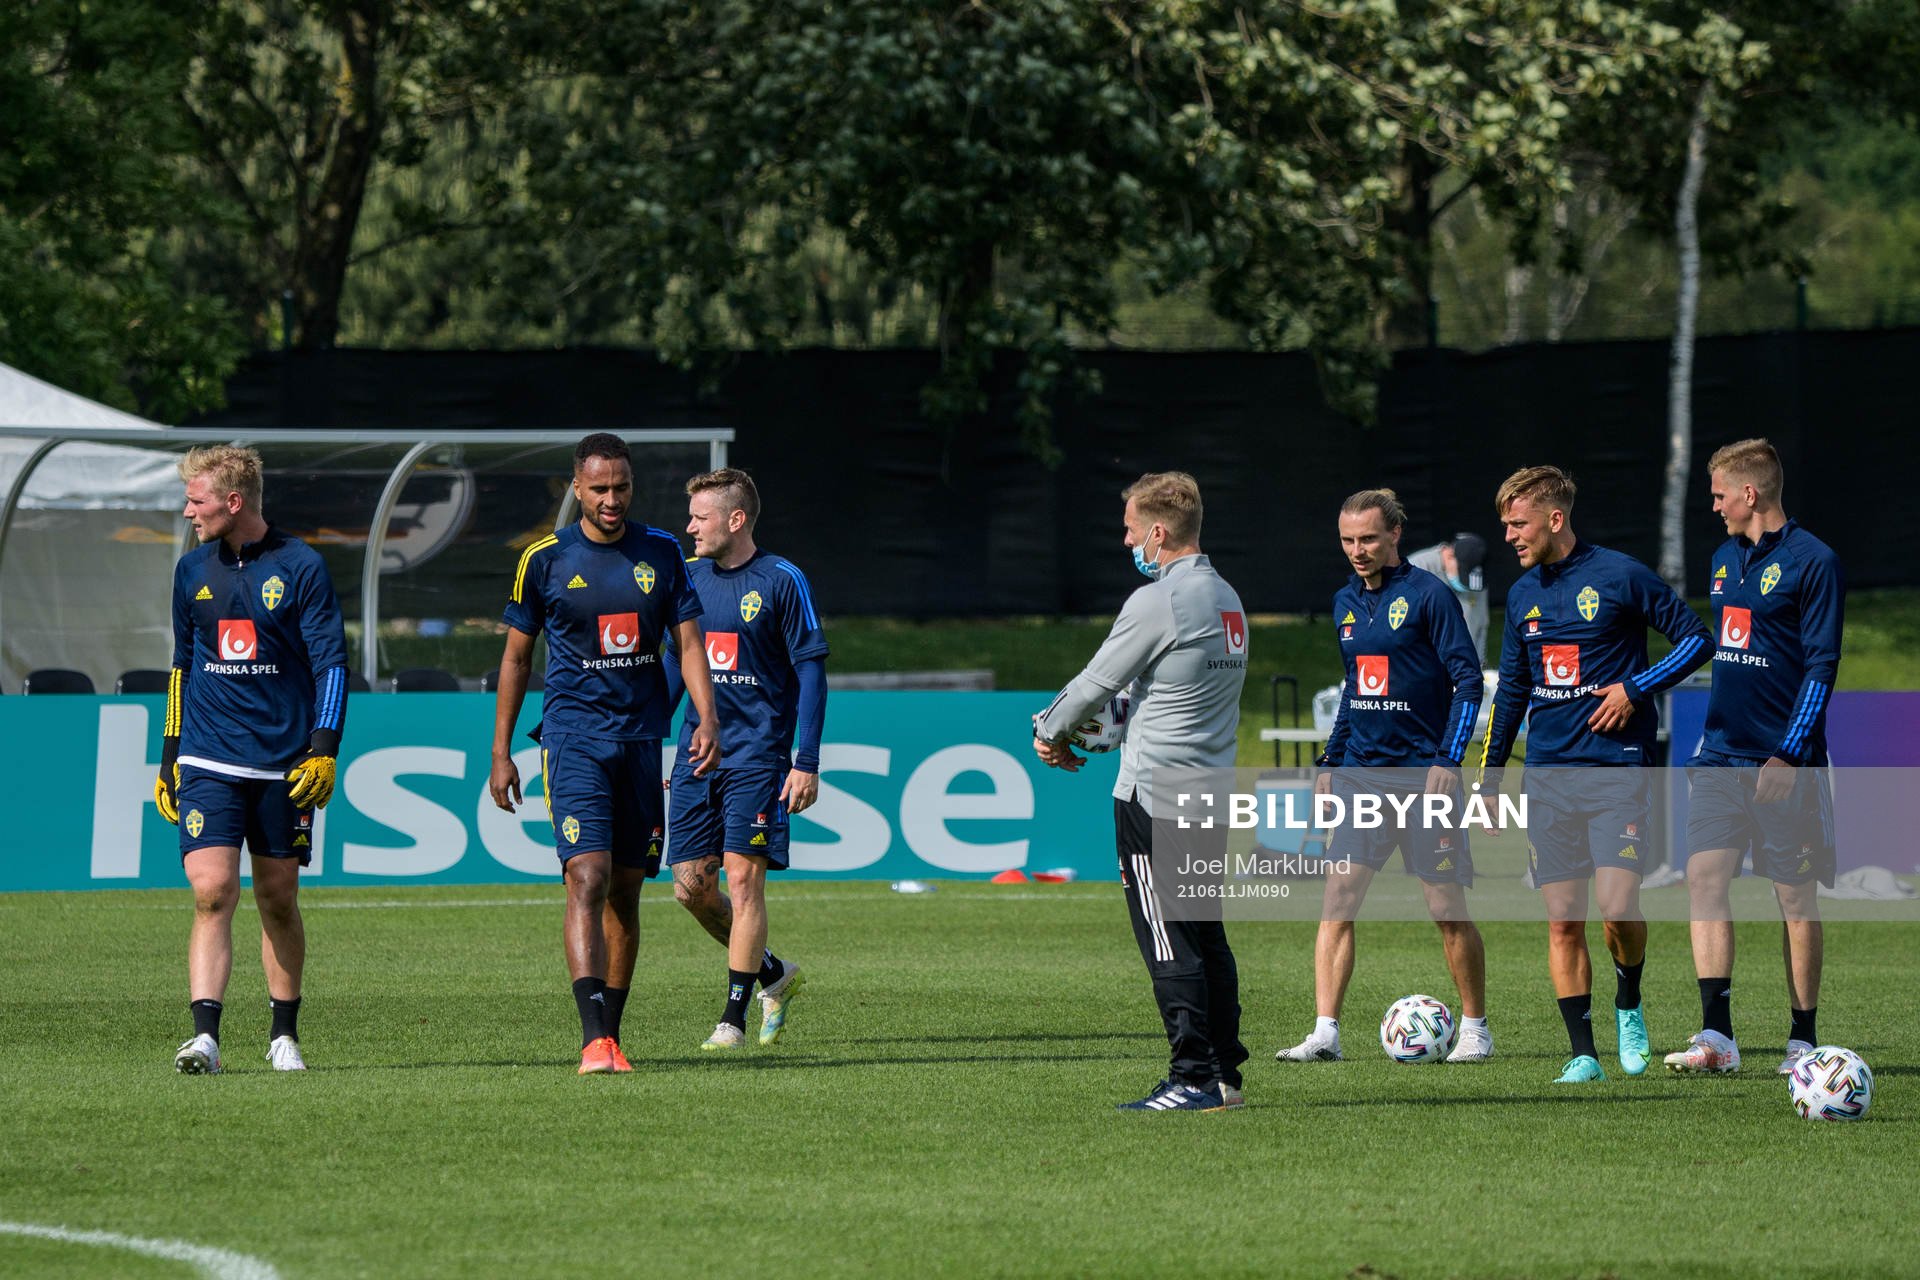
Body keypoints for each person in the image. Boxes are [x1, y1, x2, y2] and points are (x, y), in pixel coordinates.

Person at [488, 433, 719, 1075]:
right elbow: (515, 656)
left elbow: (690, 644)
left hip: (642, 741)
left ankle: (611, 1037)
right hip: (572, 739)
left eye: (621, 487)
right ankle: (593, 1041)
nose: (611, 499)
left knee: (624, 889)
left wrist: (706, 717)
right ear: (576, 488)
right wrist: (501, 751)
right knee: (585, 878)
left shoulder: (664, 552)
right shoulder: (544, 559)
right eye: (599, 489)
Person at [1479, 465, 1711, 1083]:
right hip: (1549, 777)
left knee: (1617, 907)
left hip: (1617, 772)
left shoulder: (1621, 575)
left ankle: (1628, 1003)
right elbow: (1513, 694)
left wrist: (1635, 688)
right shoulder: (1525, 595)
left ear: (1555, 519)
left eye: (1518, 524)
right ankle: (1583, 1053)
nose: (1509, 537)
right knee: (1561, 918)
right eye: (1505, 526)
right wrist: (1490, 775)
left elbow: (1696, 640)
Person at [1033, 471, 1249, 1112]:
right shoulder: (1227, 595)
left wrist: (1050, 732)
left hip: (1155, 794)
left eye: (1130, 529)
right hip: (1210, 787)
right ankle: (1226, 1075)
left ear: (1158, 533)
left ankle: (1191, 1078)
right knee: (1206, 934)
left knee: (1167, 936)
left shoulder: (1161, 599)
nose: (1126, 540)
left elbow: (1096, 683)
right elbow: (1166, 693)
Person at [1276, 490, 1491, 1064]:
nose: (1357, 551)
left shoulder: (1431, 597)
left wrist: (1449, 759)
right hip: (1362, 780)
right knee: (1338, 899)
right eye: (1347, 541)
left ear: (1396, 534)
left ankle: (1474, 1029)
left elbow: (1469, 683)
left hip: (1425, 782)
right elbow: (1355, 689)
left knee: (1446, 907)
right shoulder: (1345, 600)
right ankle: (1325, 1033)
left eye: (1368, 539)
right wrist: (1330, 761)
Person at [158, 445, 350, 1075]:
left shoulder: (302, 566)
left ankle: (283, 1034)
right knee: (212, 891)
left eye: (197, 499)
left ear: (232, 503)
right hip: (208, 758)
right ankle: (205, 1038)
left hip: (281, 763)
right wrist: (169, 756)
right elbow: (182, 670)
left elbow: (331, 666)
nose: (188, 510)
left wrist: (323, 748)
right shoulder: (191, 573)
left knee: (277, 898)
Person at [1663, 439, 1843, 1077]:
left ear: (1750, 493)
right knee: (1703, 880)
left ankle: (1802, 1041)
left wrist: (1790, 754)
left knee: (1794, 898)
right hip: (1717, 758)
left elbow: (1821, 667)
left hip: (1783, 765)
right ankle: (1718, 1036)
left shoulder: (1813, 561)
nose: (1712, 506)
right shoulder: (1721, 559)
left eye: (1718, 494)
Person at [663, 468, 827, 1051]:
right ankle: (774, 974)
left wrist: (804, 760)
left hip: (758, 756)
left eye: (700, 518)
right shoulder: (686, 579)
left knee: (743, 878)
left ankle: (732, 1018)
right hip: (695, 756)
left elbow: (810, 669)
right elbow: (674, 667)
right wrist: (652, 737)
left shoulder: (782, 580)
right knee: (690, 891)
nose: (690, 528)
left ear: (735, 520)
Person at [1408, 531, 1491, 665]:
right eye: (1464, 573)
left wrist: (1479, 664)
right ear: (1450, 555)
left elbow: (1481, 623)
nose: (1469, 586)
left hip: (1464, 671)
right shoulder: (1416, 570)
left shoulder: (1477, 582)